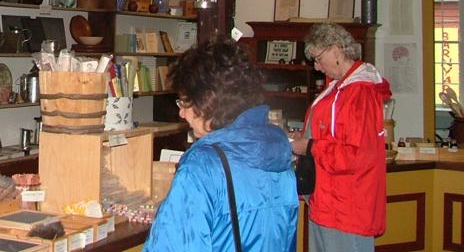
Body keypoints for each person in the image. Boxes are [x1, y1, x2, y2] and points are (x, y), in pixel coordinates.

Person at [144, 38, 298, 252]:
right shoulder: (278, 153)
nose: (181, 112)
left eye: (185, 102)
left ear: (208, 101)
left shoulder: (202, 165)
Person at [291, 22, 392, 252]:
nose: (317, 67)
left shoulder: (360, 92)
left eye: (318, 59)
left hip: (346, 206)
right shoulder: (338, 87)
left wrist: (309, 146)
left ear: (336, 50)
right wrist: (306, 137)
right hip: (328, 200)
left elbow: (356, 155)